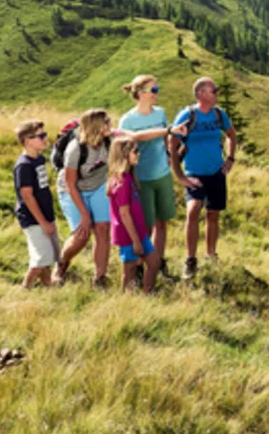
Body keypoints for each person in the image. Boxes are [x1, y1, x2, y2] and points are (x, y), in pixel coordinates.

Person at [53, 108, 180, 289]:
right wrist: (85, 215)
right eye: (106, 122)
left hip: (98, 186)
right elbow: (70, 184)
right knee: (82, 235)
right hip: (72, 189)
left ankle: (99, 278)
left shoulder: (110, 138)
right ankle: (62, 263)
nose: (110, 125)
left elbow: (137, 136)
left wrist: (168, 131)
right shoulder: (75, 149)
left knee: (103, 229)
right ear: (95, 127)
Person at [169, 77, 237, 279]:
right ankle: (190, 259)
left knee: (213, 215)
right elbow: (171, 145)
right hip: (194, 173)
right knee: (193, 210)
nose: (217, 93)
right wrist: (180, 176)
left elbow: (231, 135)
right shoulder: (187, 115)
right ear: (201, 94)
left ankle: (211, 255)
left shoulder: (219, 114)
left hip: (216, 172)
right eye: (213, 90)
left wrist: (230, 158)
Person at [119, 74, 177, 278]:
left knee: (162, 221)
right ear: (141, 93)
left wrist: (169, 155)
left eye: (157, 89)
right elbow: (132, 140)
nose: (157, 93)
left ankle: (158, 262)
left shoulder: (160, 113)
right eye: (153, 90)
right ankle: (143, 263)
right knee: (147, 224)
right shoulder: (127, 120)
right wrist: (166, 131)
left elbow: (165, 138)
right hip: (141, 179)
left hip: (162, 174)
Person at [107, 137, 160, 293]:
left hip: (139, 231)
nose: (138, 154)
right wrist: (136, 241)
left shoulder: (129, 177)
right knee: (129, 269)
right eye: (135, 151)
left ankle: (147, 294)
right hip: (128, 235)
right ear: (124, 154)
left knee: (154, 262)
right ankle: (126, 301)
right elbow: (124, 214)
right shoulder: (121, 182)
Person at [13, 120, 61, 289]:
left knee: (48, 255)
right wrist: (43, 222)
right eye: (40, 136)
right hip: (33, 218)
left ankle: (47, 285)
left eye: (45, 134)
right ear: (27, 141)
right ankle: (25, 288)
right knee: (41, 258)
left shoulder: (39, 159)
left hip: (45, 214)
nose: (44, 138)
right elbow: (27, 196)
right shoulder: (24, 166)